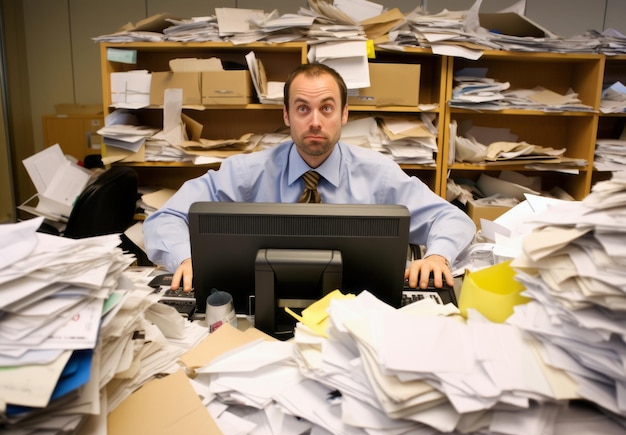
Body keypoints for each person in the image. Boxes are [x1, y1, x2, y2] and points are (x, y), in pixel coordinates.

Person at [143, 63, 475, 295]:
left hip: (354, 308)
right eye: (303, 109)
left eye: (327, 108)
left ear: (344, 114)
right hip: (259, 303)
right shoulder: (245, 173)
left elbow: (451, 218)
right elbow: (166, 217)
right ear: (286, 115)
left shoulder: (378, 174)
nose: (315, 122)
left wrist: (437, 255)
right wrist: (185, 257)